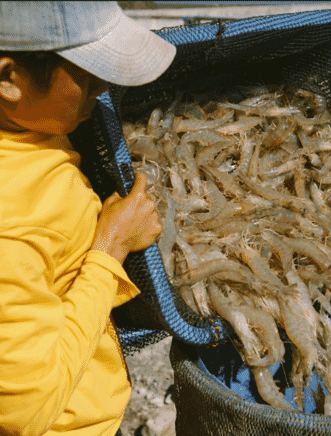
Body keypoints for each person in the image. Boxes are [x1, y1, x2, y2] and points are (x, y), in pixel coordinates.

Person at [0, 2, 176, 435]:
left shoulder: (29, 122)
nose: (103, 86)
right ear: (8, 78)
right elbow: (25, 414)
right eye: (86, 73)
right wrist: (110, 247)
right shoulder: (12, 228)